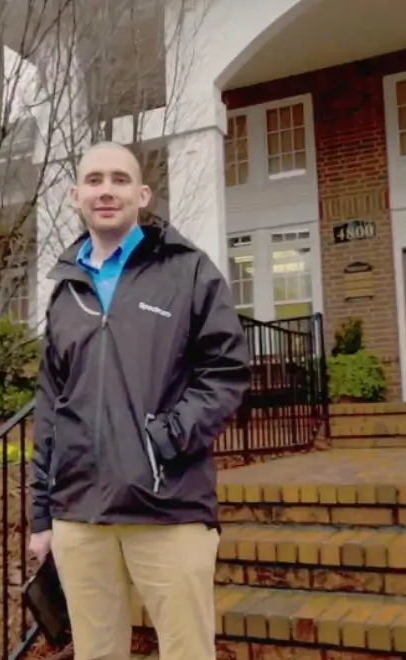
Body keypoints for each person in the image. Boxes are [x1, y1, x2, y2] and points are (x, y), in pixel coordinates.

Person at [27, 141, 251, 660]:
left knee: (186, 652)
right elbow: (50, 409)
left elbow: (226, 370)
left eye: (120, 180)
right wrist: (42, 516)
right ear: (74, 195)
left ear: (143, 194)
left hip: (168, 506)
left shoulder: (188, 271)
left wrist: (165, 439)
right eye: (95, 180)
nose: (107, 190)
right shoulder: (65, 292)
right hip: (79, 516)